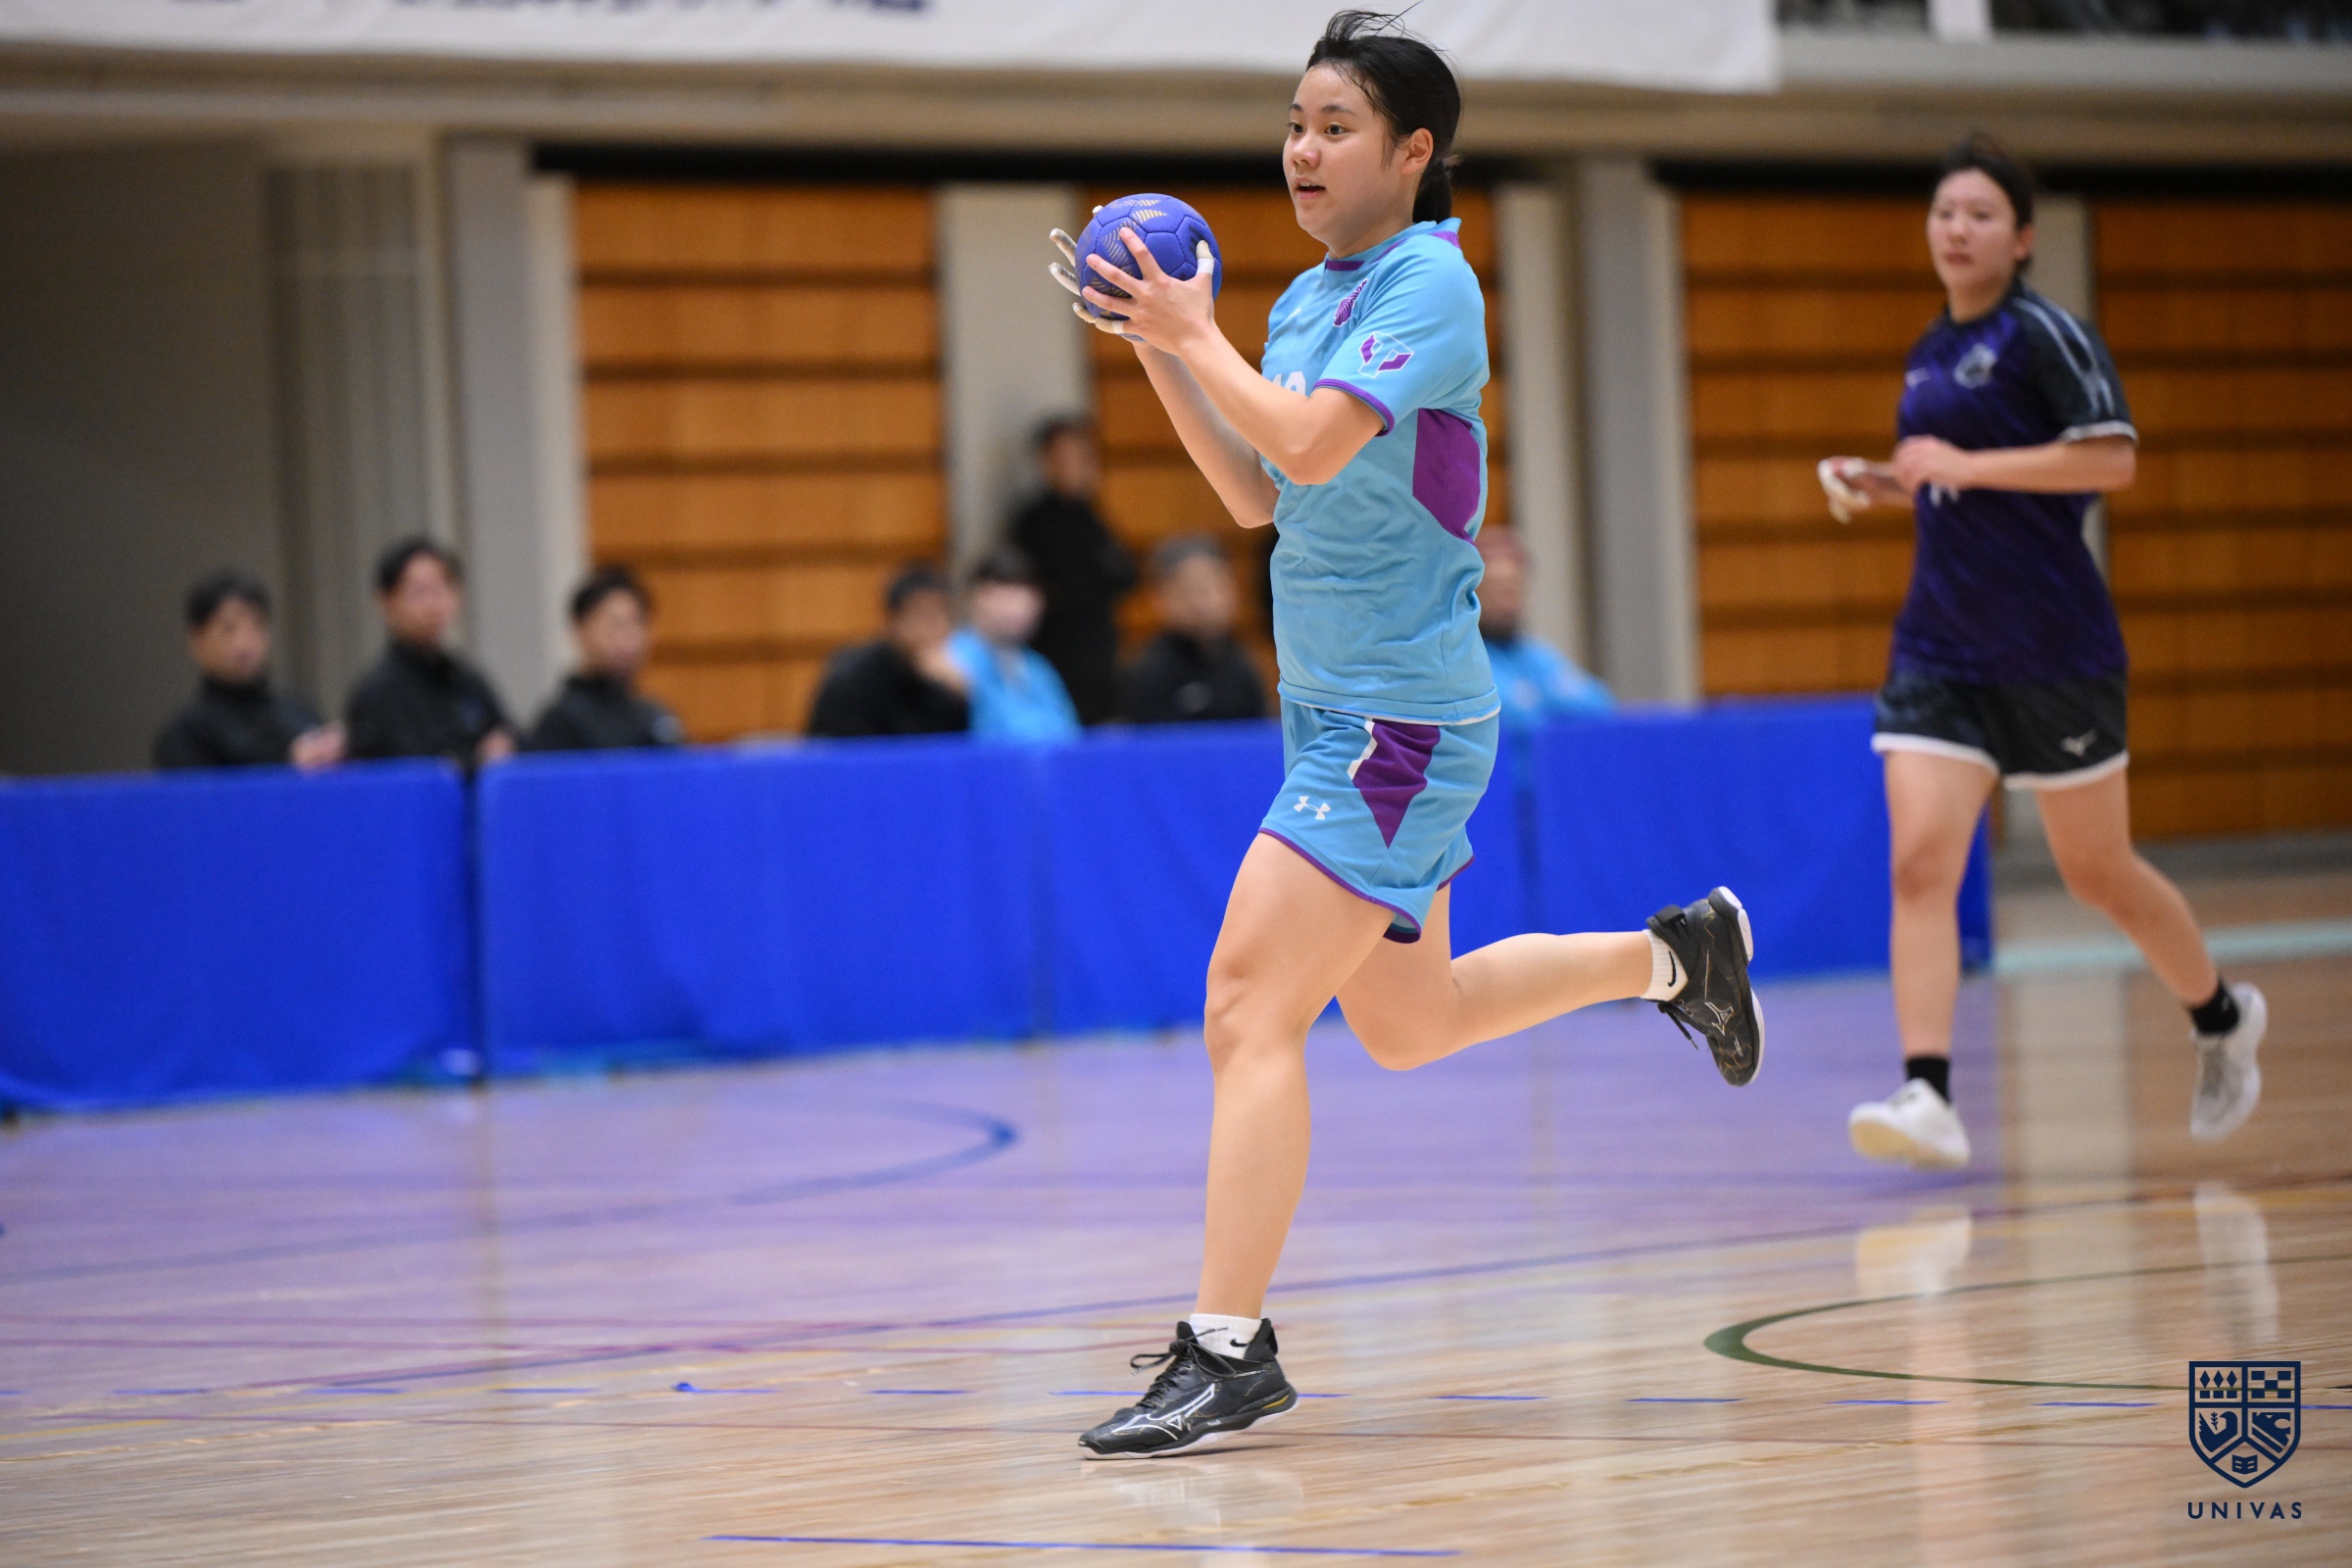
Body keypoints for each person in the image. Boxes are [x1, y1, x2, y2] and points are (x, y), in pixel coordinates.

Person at [1047, 9, 1760, 1460]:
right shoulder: (1308, 302)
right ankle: (1679, 958)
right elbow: (1262, 492)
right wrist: (1159, 351)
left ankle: (1227, 1349)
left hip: (1397, 723)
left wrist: (1192, 331)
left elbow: (1312, 438)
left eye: (1337, 128)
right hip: (1338, 708)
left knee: (1248, 1006)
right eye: (1295, 126)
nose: (1303, 152)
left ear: (1414, 150)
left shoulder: (1433, 282)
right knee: (1409, 1025)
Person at [1820, 134, 2265, 1171]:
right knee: (1920, 863)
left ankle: (2220, 1016)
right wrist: (1888, 481)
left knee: (2099, 873)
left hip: (2055, 651)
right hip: (1939, 651)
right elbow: (1960, 483)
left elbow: (2111, 458)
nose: (1957, 229)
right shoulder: (1930, 349)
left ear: (2021, 239)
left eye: (1980, 215)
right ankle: (1929, 1092)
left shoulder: (2047, 336)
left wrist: (1969, 463)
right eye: (1944, 213)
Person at [1005, 416, 1139, 726]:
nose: (1072, 465)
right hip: (1054, 649)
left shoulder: (1093, 516)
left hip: (1098, 647)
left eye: (1079, 456)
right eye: (1061, 456)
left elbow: (1127, 576)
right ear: (1045, 461)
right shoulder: (1032, 522)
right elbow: (1048, 587)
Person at [343, 538, 515, 768]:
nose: (433, 604)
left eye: (441, 588)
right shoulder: (377, 693)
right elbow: (412, 768)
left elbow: (510, 737)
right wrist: (476, 760)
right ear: (387, 601)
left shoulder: (467, 679)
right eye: (419, 591)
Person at [153, 571, 344, 771]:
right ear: (197, 639)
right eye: (228, 629)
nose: (244, 643)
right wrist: (288, 765)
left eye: (256, 625)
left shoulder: (300, 713)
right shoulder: (186, 734)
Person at [524, 565, 684, 753]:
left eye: (637, 622)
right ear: (581, 630)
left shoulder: (654, 716)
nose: (629, 636)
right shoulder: (561, 724)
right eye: (616, 624)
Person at [806, 564, 971, 740]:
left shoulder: (953, 681)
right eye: (922, 616)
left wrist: (965, 696)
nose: (932, 628)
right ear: (893, 622)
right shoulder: (851, 679)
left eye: (941, 615)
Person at [1473, 527, 1612, 737]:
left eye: (1514, 590)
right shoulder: (1459, 659)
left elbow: (1598, 706)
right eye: (1497, 591)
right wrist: (1546, 704)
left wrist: (1534, 702)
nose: (1508, 605)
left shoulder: (1534, 655)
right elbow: (1506, 714)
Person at [1120, 534, 1268, 724]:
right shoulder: (1148, 671)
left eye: (1211, 587)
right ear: (1161, 598)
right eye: (1189, 590)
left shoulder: (1242, 663)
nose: (1202, 604)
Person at [948, 547, 1081, 744]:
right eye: (1006, 596)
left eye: (1026, 597)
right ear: (976, 597)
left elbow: (1068, 738)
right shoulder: (950, 662)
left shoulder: (1039, 669)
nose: (1017, 609)